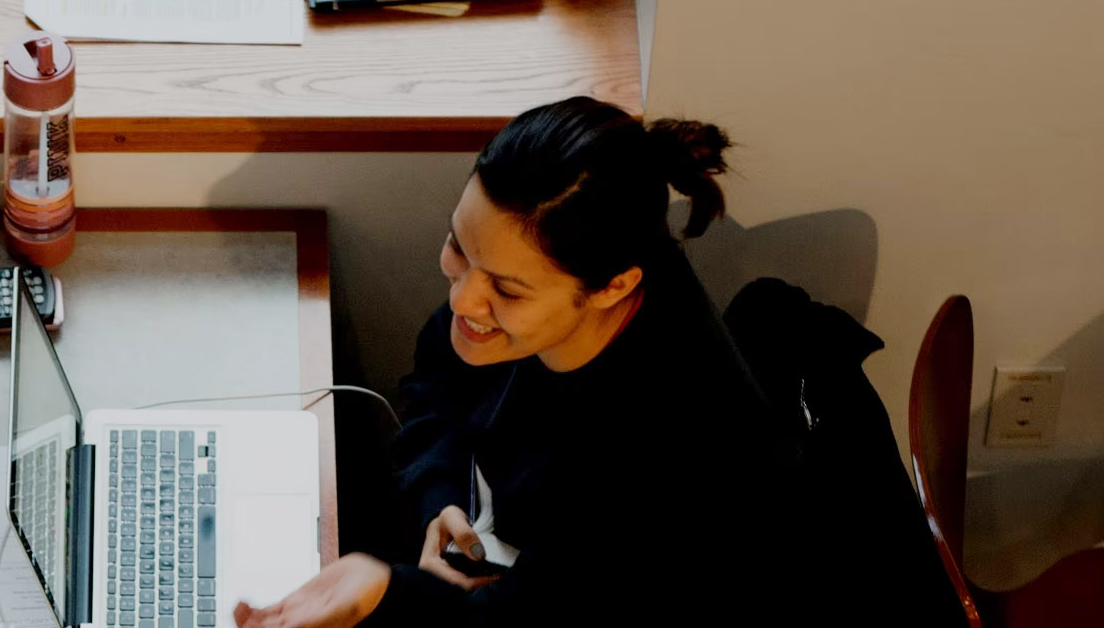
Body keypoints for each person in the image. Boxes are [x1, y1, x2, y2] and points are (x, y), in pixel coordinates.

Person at [235, 97, 801, 627]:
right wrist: (441, 495)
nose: (462, 299)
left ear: (613, 287)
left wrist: (383, 592)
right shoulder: (562, 265)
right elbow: (435, 387)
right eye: (459, 246)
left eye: (506, 290)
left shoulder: (664, 459)